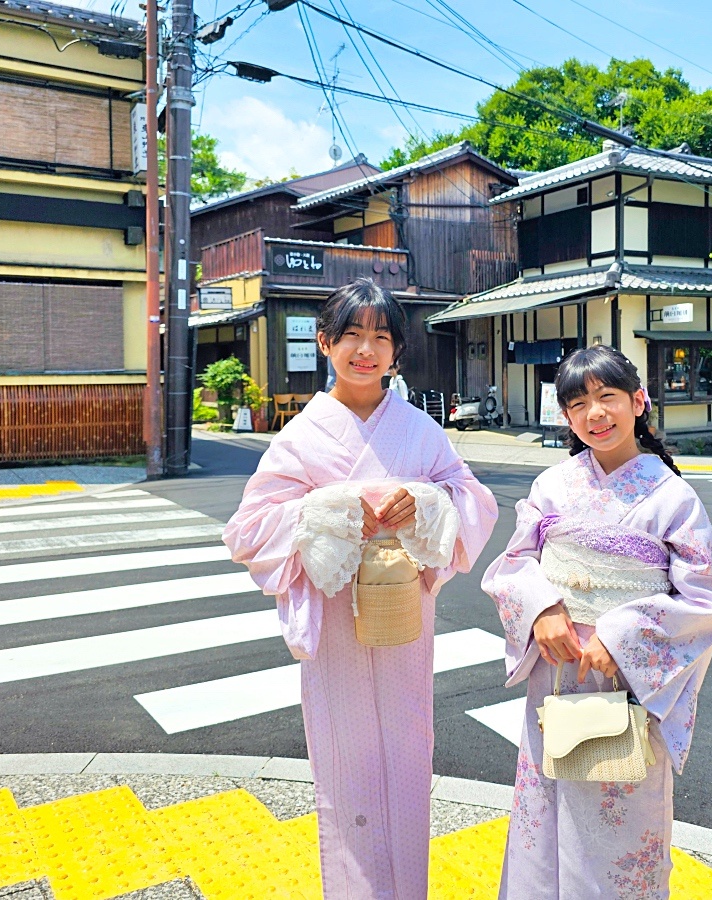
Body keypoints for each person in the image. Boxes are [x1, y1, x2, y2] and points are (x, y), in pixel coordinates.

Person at [223, 277, 498, 899]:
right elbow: (247, 529)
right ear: (325, 343)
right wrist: (326, 511)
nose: (365, 350)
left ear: (396, 352)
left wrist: (427, 502)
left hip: (402, 612)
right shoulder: (300, 435)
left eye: (380, 337)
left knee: (405, 751)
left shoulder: (421, 431)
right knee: (344, 762)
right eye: (351, 335)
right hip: (336, 613)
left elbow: (472, 500)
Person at [481, 344, 712, 899]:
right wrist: (543, 608)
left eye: (607, 397)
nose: (594, 413)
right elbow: (514, 564)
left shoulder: (673, 495)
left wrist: (623, 634)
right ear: (566, 417)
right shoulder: (551, 486)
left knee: (618, 808)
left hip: (626, 681)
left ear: (638, 402)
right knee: (545, 802)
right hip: (554, 669)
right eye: (578, 404)